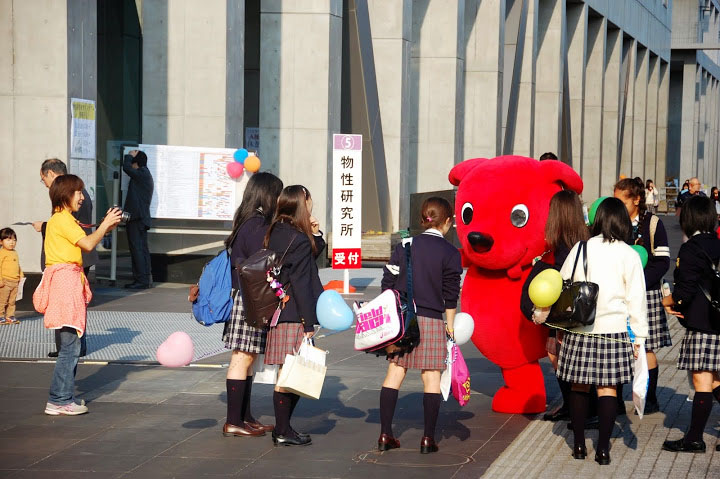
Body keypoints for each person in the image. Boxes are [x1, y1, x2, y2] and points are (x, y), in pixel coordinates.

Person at [555, 198, 648, 465]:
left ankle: (579, 445)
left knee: (579, 387)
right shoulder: (629, 254)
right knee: (608, 390)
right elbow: (636, 299)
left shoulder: (581, 248)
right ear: (621, 221)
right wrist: (639, 337)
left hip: (581, 329)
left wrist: (559, 328)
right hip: (614, 331)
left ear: (598, 220)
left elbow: (563, 285)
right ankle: (604, 450)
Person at [377, 197, 463, 454]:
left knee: (394, 373)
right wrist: (450, 328)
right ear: (447, 221)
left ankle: (385, 435)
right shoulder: (450, 253)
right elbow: (451, 296)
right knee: (432, 377)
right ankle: (427, 439)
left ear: (422, 219)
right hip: (433, 320)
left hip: (403, 321)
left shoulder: (404, 245)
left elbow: (387, 281)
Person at [36, 175, 121, 415]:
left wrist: (106, 226)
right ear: (66, 195)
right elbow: (87, 245)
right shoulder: (62, 220)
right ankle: (59, 399)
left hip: (67, 280)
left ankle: (61, 397)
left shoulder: (63, 220)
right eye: (78, 192)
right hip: (65, 282)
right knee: (70, 346)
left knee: (71, 344)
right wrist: (105, 226)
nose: (82, 197)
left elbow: (85, 241)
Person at [262, 185, 326, 446]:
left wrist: (315, 234)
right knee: (291, 374)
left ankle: (283, 428)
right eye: (309, 201)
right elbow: (301, 280)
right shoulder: (297, 239)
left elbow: (305, 261)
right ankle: (282, 430)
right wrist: (308, 323)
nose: (311, 205)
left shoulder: (275, 232)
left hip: (278, 310)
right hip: (293, 313)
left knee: (286, 372)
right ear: (302, 203)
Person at [222, 172, 284, 438]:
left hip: (246, 297)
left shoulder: (245, 220)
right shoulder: (257, 224)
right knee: (242, 357)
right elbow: (266, 260)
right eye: (277, 193)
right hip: (249, 300)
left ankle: (244, 417)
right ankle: (234, 421)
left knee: (247, 357)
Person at [521, 190, 589, 422]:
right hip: (585, 309)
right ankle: (575, 407)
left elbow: (561, 277)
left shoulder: (562, 245)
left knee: (557, 354)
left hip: (563, 311)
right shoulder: (585, 239)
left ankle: (574, 407)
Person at [661, 195, 720, 453]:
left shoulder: (691, 248)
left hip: (704, 324)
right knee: (716, 381)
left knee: (703, 382)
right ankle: (694, 436)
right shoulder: (718, 244)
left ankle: (694, 438)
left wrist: (668, 301)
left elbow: (683, 291)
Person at [614, 178, 671, 415]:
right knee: (616, 345)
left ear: (636, 200)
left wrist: (638, 282)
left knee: (645, 347)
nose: (616, 206)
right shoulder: (614, 222)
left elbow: (662, 261)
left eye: (621, 201)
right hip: (618, 294)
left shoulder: (653, 223)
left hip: (646, 293)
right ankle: (614, 400)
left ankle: (651, 398)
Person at [32, 159, 98, 357]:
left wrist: (44, 226)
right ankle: (72, 348)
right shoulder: (74, 198)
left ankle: (68, 349)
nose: (44, 183)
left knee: (67, 309)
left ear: (51, 174)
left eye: (43, 178)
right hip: (72, 262)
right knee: (74, 307)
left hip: (69, 265)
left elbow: (76, 231)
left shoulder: (70, 198)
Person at [123, 150, 154, 289]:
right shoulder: (144, 174)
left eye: (132, 161)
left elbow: (126, 168)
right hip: (140, 218)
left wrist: (129, 155)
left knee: (137, 250)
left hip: (137, 218)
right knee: (141, 249)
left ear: (136, 163)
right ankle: (144, 279)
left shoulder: (141, 174)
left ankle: (141, 280)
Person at [0, 228, 23, 325]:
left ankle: (10, 315)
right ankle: (1, 315)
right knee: (2, 300)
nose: (12, 242)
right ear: (1, 241)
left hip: (15, 281)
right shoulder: (2, 253)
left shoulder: (14, 252)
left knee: (12, 301)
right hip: (5, 281)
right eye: (8, 240)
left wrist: (21, 274)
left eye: (14, 240)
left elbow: (17, 265)